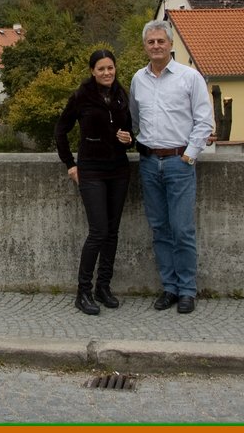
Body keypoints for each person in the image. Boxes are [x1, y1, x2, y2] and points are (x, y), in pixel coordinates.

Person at [129, 20, 214, 315]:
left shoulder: (190, 77)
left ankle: (187, 290)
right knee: (160, 229)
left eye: (160, 41)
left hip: (179, 162)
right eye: (151, 42)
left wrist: (189, 155)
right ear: (145, 46)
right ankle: (169, 288)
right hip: (149, 162)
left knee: (182, 230)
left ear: (170, 44)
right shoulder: (138, 79)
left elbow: (204, 121)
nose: (156, 46)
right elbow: (134, 119)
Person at [54, 49, 135, 315]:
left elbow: (130, 130)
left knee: (112, 232)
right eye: (101, 69)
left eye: (110, 68)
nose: (106, 72)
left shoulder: (121, 94)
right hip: (91, 171)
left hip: (118, 170)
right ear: (92, 71)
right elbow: (60, 130)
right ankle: (83, 292)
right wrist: (70, 164)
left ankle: (103, 287)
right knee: (98, 231)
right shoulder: (82, 96)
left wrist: (129, 139)